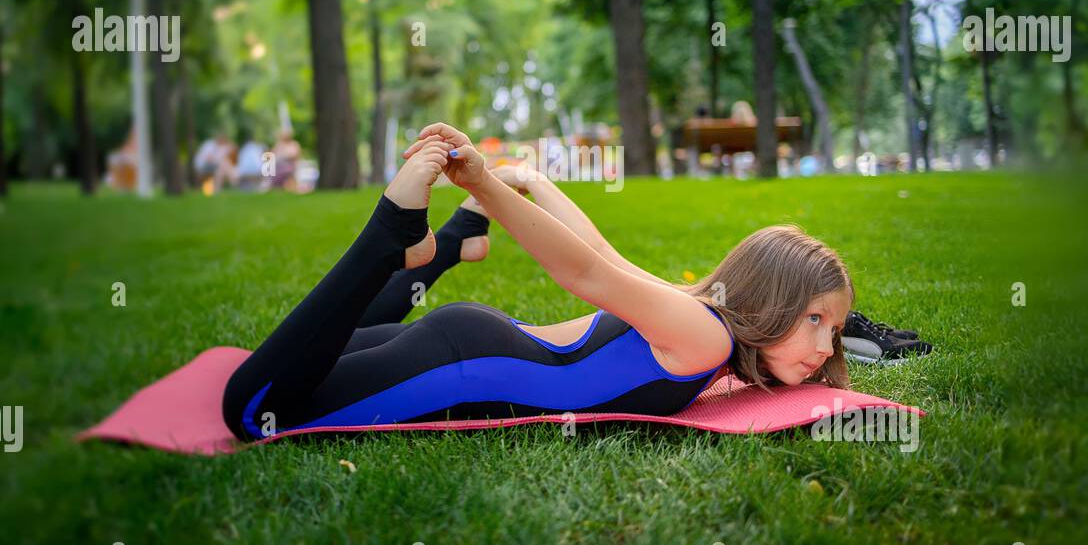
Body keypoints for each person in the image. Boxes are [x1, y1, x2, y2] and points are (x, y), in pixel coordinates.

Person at [222, 121, 856, 443]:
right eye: (815, 321)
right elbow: (585, 269)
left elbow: (604, 256)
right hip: (463, 364)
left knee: (301, 358)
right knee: (257, 411)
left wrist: (526, 182)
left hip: (472, 347)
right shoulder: (705, 338)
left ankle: (444, 246)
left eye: (834, 330)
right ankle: (392, 232)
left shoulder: (698, 314)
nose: (828, 347)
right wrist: (491, 184)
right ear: (771, 302)